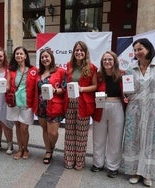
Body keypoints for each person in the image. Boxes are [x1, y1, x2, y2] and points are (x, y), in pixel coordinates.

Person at [122, 38, 155, 187]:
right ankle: (135, 171)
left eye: (140, 49)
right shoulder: (131, 69)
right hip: (135, 109)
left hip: (154, 109)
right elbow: (128, 92)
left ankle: (148, 173)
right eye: (135, 50)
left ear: (148, 49)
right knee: (134, 139)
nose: (137, 52)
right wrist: (126, 94)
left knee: (152, 140)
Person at [64, 41, 97, 170]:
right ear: (74, 52)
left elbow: (94, 86)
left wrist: (82, 89)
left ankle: (79, 162)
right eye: (76, 50)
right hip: (70, 102)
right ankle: (69, 160)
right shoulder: (69, 66)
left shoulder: (92, 67)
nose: (78, 52)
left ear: (85, 52)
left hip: (83, 102)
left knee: (82, 135)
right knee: (70, 133)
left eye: (81, 50)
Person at [91, 51, 125, 178]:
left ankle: (113, 167)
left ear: (115, 61)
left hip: (117, 106)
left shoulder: (122, 75)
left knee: (115, 138)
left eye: (109, 59)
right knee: (98, 137)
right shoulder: (98, 75)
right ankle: (97, 163)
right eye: (105, 59)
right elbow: (92, 89)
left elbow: (127, 92)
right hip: (100, 106)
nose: (107, 62)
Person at [33, 48, 66, 164]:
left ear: (51, 58)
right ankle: (48, 151)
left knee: (52, 133)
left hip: (54, 106)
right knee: (45, 130)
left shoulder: (60, 71)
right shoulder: (38, 73)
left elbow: (64, 89)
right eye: (42, 57)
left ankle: (51, 146)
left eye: (47, 57)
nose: (44, 59)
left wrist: (55, 90)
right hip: (41, 106)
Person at [6, 46, 37, 160]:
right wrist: (4, 87)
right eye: (16, 54)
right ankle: (20, 149)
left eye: (21, 54)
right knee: (18, 127)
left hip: (26, 102)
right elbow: (8, 85)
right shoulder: (11, 70)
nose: (18, 55)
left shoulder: (33, 70)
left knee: (24, 127)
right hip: (14, 102)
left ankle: (26, 148)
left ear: (25, 56)